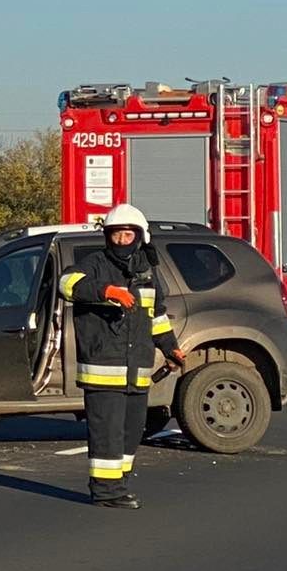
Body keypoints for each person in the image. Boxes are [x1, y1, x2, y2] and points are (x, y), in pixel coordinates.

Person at [58, 203, 185, 509]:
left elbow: (157, 316)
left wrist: (170, 347)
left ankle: (119, 483)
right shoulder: (94, 264)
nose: (122, 241)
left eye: (128, 235)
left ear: (140, 237)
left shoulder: (147, 272)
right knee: (107, 434)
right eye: (116, 235)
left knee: (130, 432)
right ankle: (106, 492)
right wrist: (107, 291)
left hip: (136, 370)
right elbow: (66, 283)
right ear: (108, 237)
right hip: (103, 369)